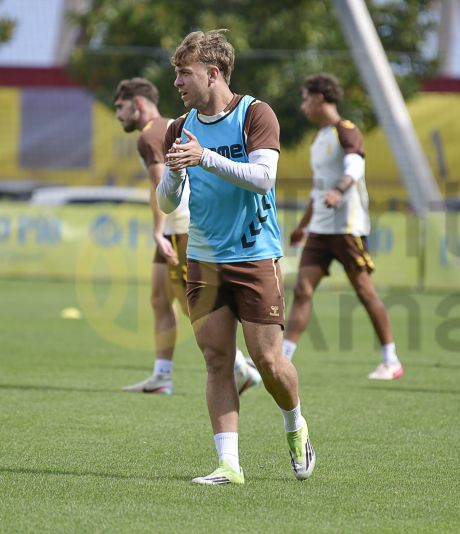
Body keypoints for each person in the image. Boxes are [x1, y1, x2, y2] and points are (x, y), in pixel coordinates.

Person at [157, 29, 315, 485]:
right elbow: (167, 203)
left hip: (254, 255)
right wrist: (173, 171)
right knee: (215, 359)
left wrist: (203, 157)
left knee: (267, 360)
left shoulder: (255, 114)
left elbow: (264, 179)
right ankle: (230, 465)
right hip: (204, 259)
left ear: (212, 73)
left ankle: (295, 425)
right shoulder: (179, 126)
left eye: (183, 74)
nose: (177, 84)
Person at [113, 77, 261, 396]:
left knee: (190, 301)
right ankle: (162, 374)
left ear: (138, 104)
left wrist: (157, 231)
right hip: (175, 227)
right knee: (159, 297)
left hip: (178, 226)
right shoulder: (168, 126)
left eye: (120, 107)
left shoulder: (150, 135)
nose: (118, 115)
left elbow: (161, 187)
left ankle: (240, 366)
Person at [283, 73, 403, 381]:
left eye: (305, 98)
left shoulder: (346, 131)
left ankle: (391, 360)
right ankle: (283, 358)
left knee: (364, 291)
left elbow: (354, 167)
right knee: (302, 290)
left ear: (320, 97)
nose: (303, 106)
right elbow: (316, 190)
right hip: (320, 230)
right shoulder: (318, 139)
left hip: (347, 227)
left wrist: (339, 189)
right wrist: (303, 226)